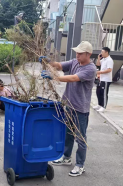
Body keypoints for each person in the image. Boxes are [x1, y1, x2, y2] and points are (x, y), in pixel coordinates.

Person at [39, 41, 96, 177]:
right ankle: (66, 157)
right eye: (77, 52)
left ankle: (80, 165)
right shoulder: (75, 62)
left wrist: (54, 77)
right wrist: (48, 62)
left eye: (80, 53)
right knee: (68, 134)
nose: (77, 55)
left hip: (80, 109)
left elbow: (73, 78)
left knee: (80, 138)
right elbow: (59, 65)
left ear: (88, 54)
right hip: (69, 105)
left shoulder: (91, 69)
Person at [93, 47, 114, 112]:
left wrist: (100, 72)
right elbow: (98, 64)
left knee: (104, 93)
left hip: (106, 79)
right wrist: (99, 58)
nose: (101, 53)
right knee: (98, 92)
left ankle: (103, 106)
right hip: (101, 79)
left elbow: (109, 69)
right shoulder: (104, 59)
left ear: (106, 52)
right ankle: (99, 104)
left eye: (102, 52)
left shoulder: (109, 60)